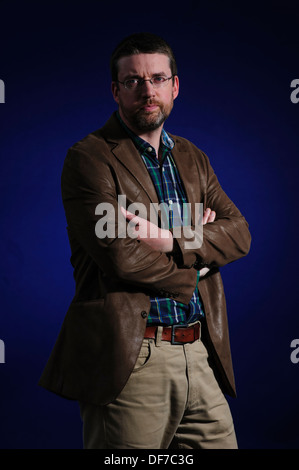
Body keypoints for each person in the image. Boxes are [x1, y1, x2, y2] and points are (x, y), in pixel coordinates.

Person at [39, 32, 251, 449]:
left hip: (200, 351)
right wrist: (196, 267)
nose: (147, 90)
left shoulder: (192, 156)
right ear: (116, 91)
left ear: (175, 86)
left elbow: (239, 232)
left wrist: (168, 237)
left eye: (157, 78)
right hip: (133, 359)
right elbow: (120, 257)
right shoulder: (89, 158)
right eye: (134, 81)